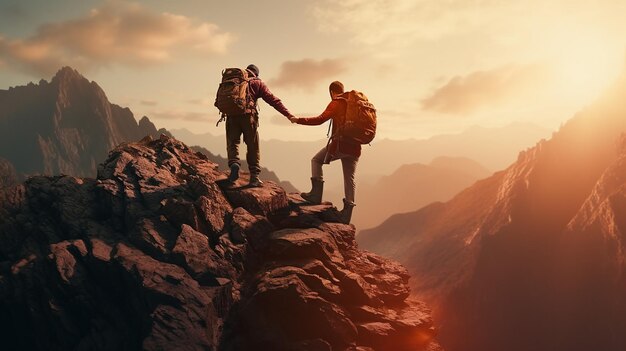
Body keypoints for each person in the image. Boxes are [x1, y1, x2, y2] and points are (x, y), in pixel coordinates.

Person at [290, 81, 360, 224]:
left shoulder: (336, 102)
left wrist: (299, 120)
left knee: (316, 160)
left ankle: (316, 195)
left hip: (341, 145)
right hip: (356, 147)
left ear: (332, 92)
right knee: (349, 179)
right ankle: (346, 215)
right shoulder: (354, 104)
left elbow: (320, 119)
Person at [226, 64, 294, 187]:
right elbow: (273, 100)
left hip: (231, 115)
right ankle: (254, 177)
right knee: (252, 145)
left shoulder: (234, 79)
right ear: (256, 73)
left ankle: (234, 163)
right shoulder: (258, 82)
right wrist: (288, 114)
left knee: (233, 142)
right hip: (248, 117)